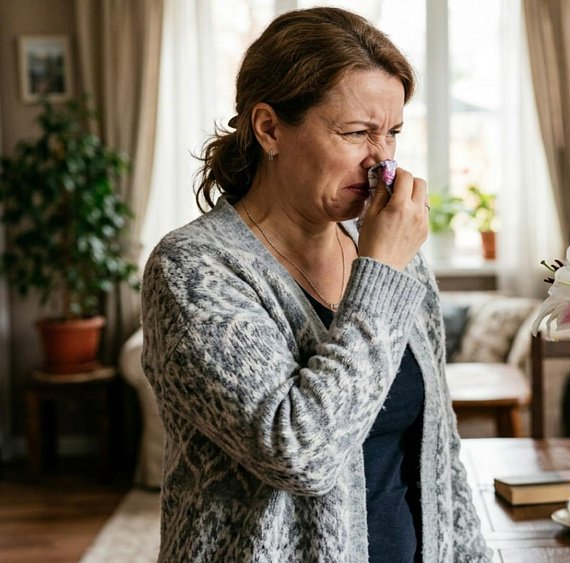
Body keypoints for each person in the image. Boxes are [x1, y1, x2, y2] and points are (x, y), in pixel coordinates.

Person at [141, 7, 491, 562]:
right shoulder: (192, 270)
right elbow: (300, 454)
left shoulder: (390, 253)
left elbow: (437, 449)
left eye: (393, 133)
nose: (384, 162)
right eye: (356, 133)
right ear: (269, 128)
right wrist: (381, 272)